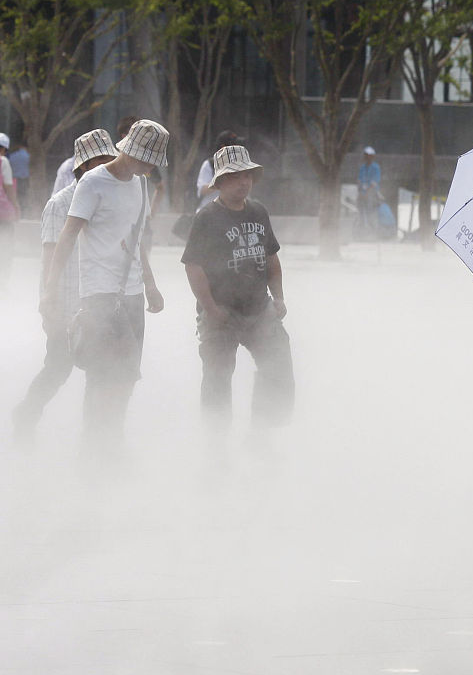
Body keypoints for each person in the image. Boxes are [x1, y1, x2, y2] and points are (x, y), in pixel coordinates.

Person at [41, 120, 168, 452]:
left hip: (132, 295)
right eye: (148, 160)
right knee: (103, 378)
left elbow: (136, 238)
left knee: (127, 377)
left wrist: (150, 284)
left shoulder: (141, 185)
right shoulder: (94, 182)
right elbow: (67, 236)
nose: (150, 168)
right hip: (99, 295)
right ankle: (94, 448)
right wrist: (50, 290)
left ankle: (113, 443)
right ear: (131, 152)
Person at [12, 131, 119, 441]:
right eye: (99, 161)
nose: (106, 167)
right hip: (66, 303)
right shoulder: (59, 204)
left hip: (98, 303)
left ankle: (93, 438)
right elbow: (48, 258)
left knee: (100, 372)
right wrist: (49, 305)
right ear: (82, 166)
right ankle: (26, 414)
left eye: (109, 161)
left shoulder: (110, 201)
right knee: (58, 369)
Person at [182, 144, 294, 429]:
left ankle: (261, 436)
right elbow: (193, 267)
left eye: (247, 175)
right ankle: (216, 443)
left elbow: (271, 258)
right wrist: (211, 309)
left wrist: (279, 298)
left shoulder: (258, 211)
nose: (243, 182)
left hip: (259, 308)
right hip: (221, 312)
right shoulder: (207, 218)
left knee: (278, 366)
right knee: (217, 379)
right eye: (235, 176)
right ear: (220, 182)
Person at [197, 131, 239, 211]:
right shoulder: (210, 164)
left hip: (231, 212)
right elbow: (202, 190)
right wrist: (222, 181)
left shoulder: (239, 165)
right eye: (232, 146)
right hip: (209, 211)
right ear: (222, 147)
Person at [0, 134, 20, 285]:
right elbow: (8, 188)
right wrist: (16, 206)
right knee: (5, 247)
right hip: (3, 214)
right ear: (4, 149)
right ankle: (3, 281)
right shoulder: (3, 162)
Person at [357, 146, 382, 234]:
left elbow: (375, 182)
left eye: (369, 156)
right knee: (360, 210)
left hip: (372, 193)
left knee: (370, 212)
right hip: (363, 193)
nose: (367, 157)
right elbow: (360, 180)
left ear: (372, 156)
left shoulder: (376, 167)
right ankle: (362, 229)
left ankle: (373, 231)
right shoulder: (362, 168)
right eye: (366, 155)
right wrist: (360, 191)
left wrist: (367, 192)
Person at [7, 139, 30, 211]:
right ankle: (23, 211)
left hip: (14, 180)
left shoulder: (12, 156)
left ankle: (16, 211)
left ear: (19, 146)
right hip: (25, 180)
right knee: (24, 196)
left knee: (15, 197)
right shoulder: (29, 156)